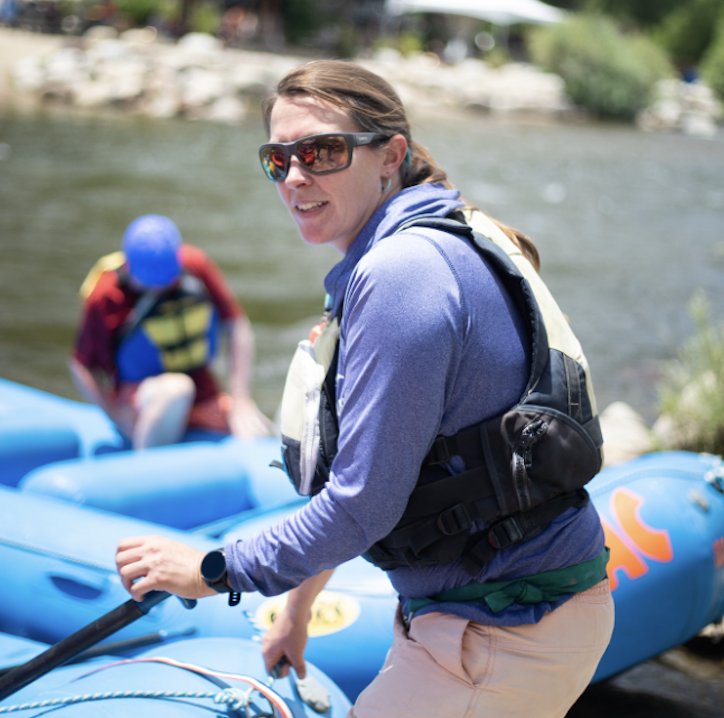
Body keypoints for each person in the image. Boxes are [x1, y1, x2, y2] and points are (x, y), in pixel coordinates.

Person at [115, 62, 615, 717]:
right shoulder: (424, 243)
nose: (296, 177)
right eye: (278, 159)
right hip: (493, 615)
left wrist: (213, 571)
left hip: (504, 630)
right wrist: (296, 611)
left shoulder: (403, 275)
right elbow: (377, 469)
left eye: (321, 152)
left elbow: (362, 505)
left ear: (391, 157)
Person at [70, 214, 272, 449]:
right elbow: (82, 366)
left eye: (169, 280)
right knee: (177, 389)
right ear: (130, 269)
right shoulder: (106, 296)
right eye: (153, 283)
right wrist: (116, 415)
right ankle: (144, 464)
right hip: (141, 396)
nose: (163, 288)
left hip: (202, 393)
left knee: (262, 431)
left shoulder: (195, 265)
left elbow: (237, 325)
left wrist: (240, 398)